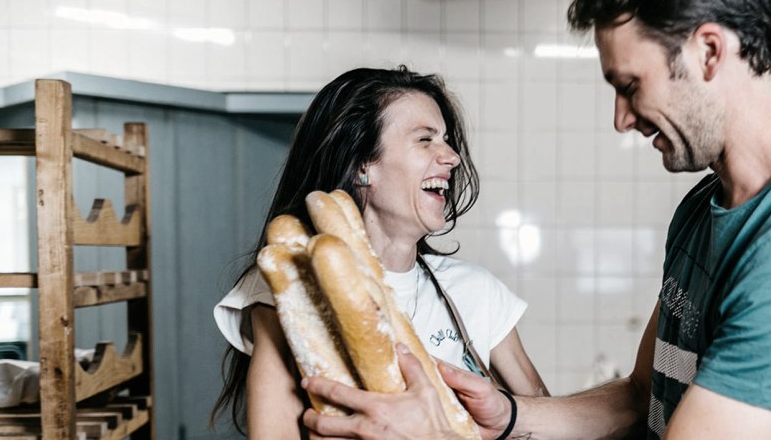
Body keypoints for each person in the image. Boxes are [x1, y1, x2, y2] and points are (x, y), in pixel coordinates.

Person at [299, 0, 771, 438]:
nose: (621, 119)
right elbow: (641, 396)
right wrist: (508, 417)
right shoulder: (706, 207)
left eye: (630, 86)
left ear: (710, 52)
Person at [210, 67, 549, 438]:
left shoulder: (475, 291)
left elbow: (543, 423)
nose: (452, 157)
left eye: (446, 140)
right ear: (361, 166)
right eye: (425, 139)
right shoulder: (294, 282)